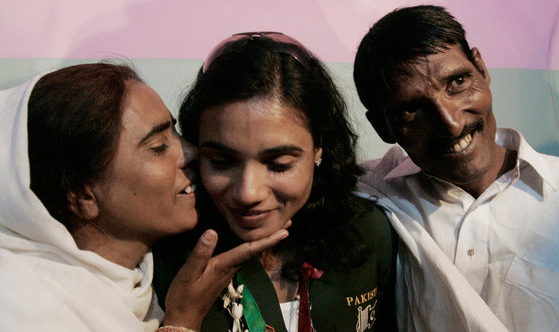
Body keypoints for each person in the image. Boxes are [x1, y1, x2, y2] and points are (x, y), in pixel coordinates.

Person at [0, 63, 288, 331]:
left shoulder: (135, 287)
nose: (190, 152)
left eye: (174, 133)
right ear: (83, 195)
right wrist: (181, 321)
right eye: (158, 147)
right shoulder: (11, 307)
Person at [154, 32, 397, 332]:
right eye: (221, 162)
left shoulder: (367, 233)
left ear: (319, 147)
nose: (247, 193)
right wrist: (181, 321)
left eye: (278, 165)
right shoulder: (168, 258)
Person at [353, 5, 559, 332]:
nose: (450, 123)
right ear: (382, 126)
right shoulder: (371, 193)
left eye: (458, 82)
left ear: (481, 67)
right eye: (414, 110)